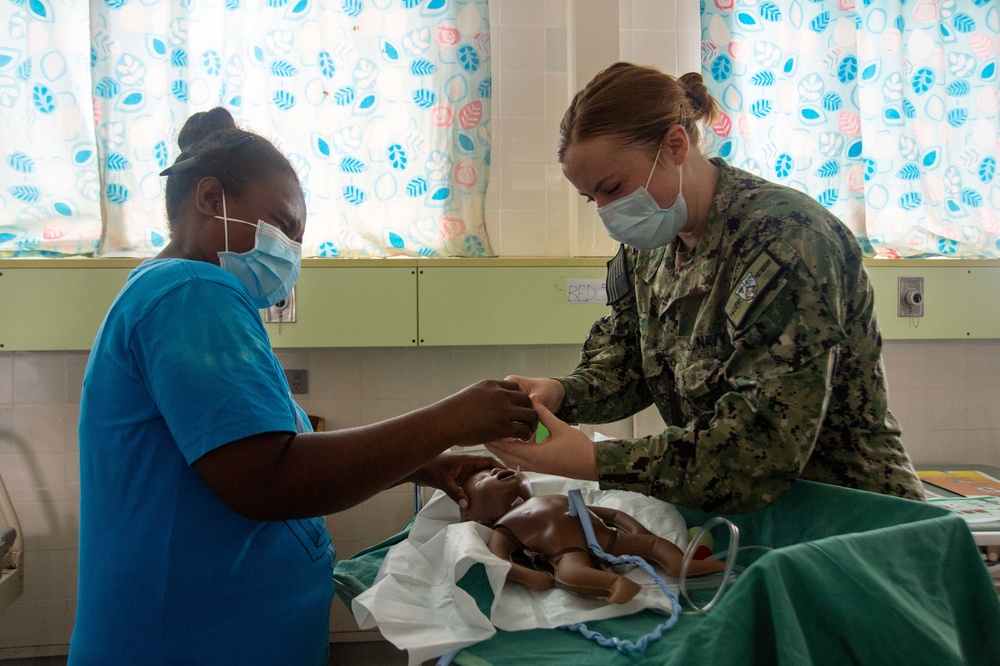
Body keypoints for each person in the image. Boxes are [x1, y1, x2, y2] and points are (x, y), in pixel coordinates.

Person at [70, 108, 537, 666]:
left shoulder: (180, 295)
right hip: (187, 644)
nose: (292, 249)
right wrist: (450, 420)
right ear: (211, 199)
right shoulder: (192, 292)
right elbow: (271, 478)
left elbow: (266, 450)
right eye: (283, 224)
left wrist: (420, 465)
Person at [487, 62, 924, 514]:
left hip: (847, 521)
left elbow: (762, 448)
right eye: (591, 198)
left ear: (675, 145)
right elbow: (632, 363)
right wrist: (562, 393)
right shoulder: (651, 247)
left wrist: (595, 460)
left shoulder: (787, 240)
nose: (606, 211)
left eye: (613, 187)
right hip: (743, 520)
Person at [459, 467, 724, 603]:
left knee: (654, 544)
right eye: (482, 479)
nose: (496, 470)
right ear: (480, 518)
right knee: (568, 573)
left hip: (605, 534)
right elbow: (501, 560)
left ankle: (680, 564)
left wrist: (638, 531)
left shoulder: (550, 497)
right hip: (567, 550)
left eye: (492, 469)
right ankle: (615, 584)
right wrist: (535, 577)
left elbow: (611, 514)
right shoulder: (505, 526)